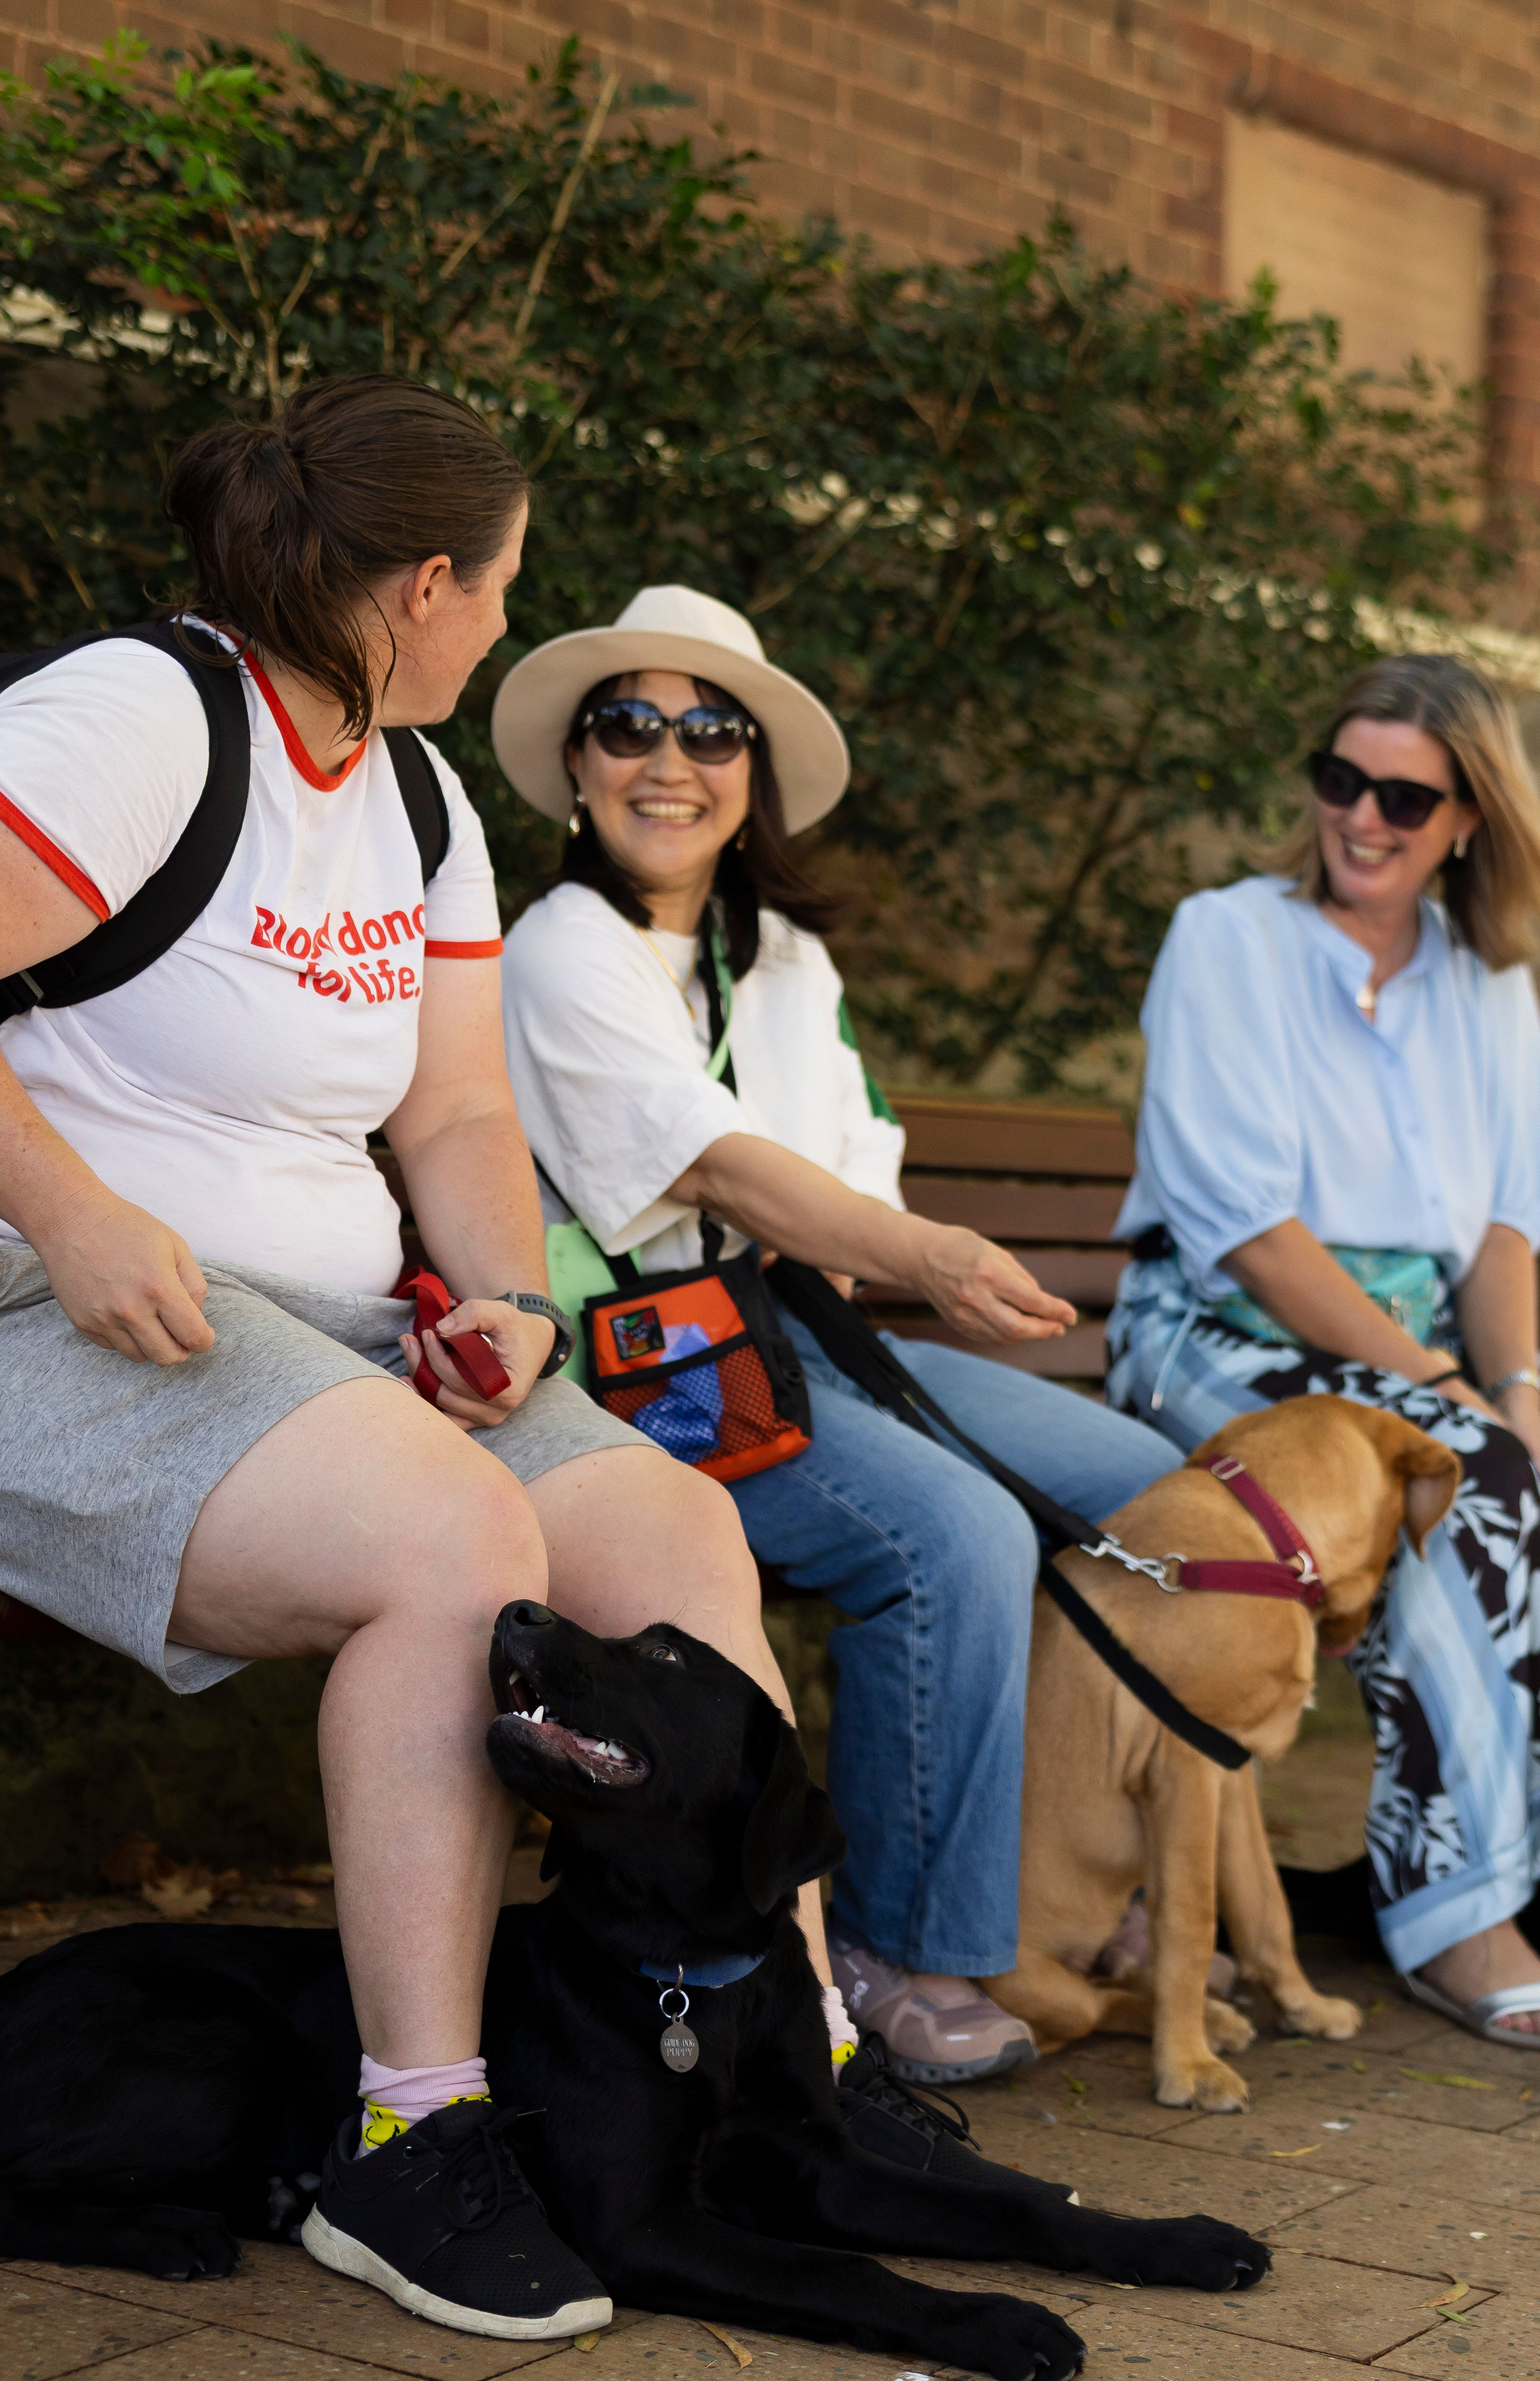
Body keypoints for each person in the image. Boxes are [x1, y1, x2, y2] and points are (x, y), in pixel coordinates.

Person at [0, 380, 827, 2343]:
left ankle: (797, 2073)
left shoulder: (417, 795)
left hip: (317, 1343)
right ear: (422, 587)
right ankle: (411, 2137)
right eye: (507, 592)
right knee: (452, 1547)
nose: (510, 631)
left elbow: (448, 1119)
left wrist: (509, 1295)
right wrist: (76, 1209)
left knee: (672, 1536)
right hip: (1, 1316)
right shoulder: (132, 720)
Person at [491, 585, 1184, 2084]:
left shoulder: (791, 961)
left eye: (710, 730)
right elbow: (728, 1171)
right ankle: (907, 1944)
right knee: (950, 1535)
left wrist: (880, 1247)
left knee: (1157, 1497)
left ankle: (1065, 1876)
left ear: (753, 780)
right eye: (629, 725)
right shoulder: (558, 948)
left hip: (796, 1337)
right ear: (575, 769)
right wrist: (922, 1251)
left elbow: (850, 1166)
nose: (667, 761)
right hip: (649, 1373)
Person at [1104, 652, 1540, 2051]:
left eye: (1405, 800)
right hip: (1218, 1334)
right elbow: (1252, 1234)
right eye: (1339, 781)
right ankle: (1457, 1907)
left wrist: (1525, 1397)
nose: (1362, 818)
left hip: (1419, 1347)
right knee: (1462, 1472)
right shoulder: (1227, 939)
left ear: (1472, 819)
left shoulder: (1487, 982)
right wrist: (1461, 1403)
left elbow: (1499, 1236)